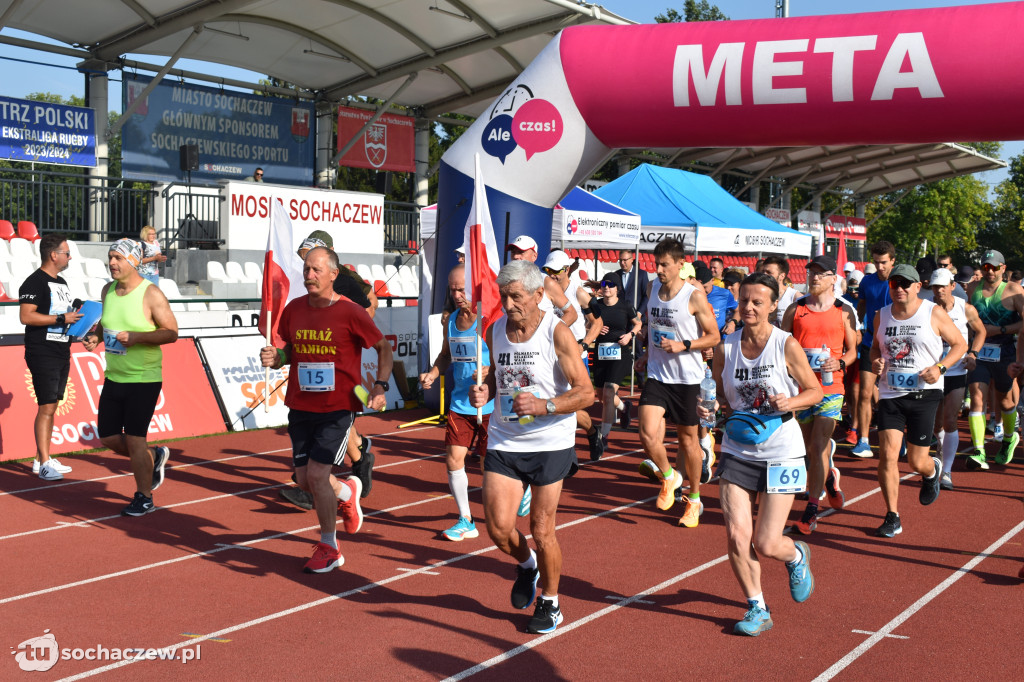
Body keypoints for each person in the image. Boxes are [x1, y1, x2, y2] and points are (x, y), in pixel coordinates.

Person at [468, 259, 594, 634]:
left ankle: (551, 602)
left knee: (541, 529)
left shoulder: (557, 333)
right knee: (499, 528)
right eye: (504, 296)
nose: (508, 305)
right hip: (506, 438)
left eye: (516, 297)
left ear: (539, 295)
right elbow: (495, 375)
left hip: (551, 442)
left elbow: (585, 393)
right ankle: (527, 566)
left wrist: (545, 405)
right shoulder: (494, 331)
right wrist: (485, 391)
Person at [699, 272, 822, 636]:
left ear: (772, 306)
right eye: (745, 300)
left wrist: (792, 400)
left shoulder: (785, 345)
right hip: (737, 449)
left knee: (766, 542)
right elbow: (719, 397)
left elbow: (815, 391)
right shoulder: (726, 347)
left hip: (781, 449)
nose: (749, 307)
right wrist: (712, 411)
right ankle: (757, 607)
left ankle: (796, 555)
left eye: (758, 302)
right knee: (738, 535)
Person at [259, 246, 393, 572]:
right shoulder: (294, 309)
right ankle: (347, 490)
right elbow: (291, 350)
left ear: (334, 274)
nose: (309, 276)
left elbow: (383, 347)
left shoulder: (350, 312)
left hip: (338, 406)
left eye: (317, 270)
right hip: (300, 404)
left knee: (318, 475)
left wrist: (380, 385)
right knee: (305, 480)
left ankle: (329, 547)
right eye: (306, 269)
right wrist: (277, 358)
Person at [279, 232, 378, 510]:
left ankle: (329, 482)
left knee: (336, 425)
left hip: (340, 374)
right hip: (312, 382)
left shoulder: (343, 279)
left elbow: (369, 301)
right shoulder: (309, 284)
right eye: (305, 264)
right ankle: (356, 463)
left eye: (314, 265)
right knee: (335, 431)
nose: (308, 272)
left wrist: (346, 333)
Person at [81, 239, 177, 516]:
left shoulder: (151, 294)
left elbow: (171, 332)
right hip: (114, 376)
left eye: (118, 258)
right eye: (110, 257)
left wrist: (137, 338)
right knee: (109, 437)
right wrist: (95, 337)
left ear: (133, 261)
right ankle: (154, 457)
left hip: (144, 378)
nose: (112, 263)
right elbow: (105, 322)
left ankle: (144, 497)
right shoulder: (107, 290)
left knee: (135, 440)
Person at [869, 264, 966, 537]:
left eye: (905, 283)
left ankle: (931, 470)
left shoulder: (932, 312)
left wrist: (941, 368)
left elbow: (959, 344)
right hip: (890, 393)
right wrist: (875, 360)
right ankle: (892, 515)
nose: (898, 288)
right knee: (887, 456)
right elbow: (875, 347)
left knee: (915, 461)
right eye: (894, 283)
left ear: (916, 287)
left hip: (925, 393)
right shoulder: (882, 315)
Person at [635, 239, 721, 528]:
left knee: (688, 441)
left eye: (664, 265)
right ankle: (670, 477)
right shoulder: (652, 289)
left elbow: (714, 336)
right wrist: (647, 354)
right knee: (647, 434)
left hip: (687, 379)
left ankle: (694, 499)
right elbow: (655, 327)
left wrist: (684, 345)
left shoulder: (693, 296)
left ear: (680, 265)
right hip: (658, 376)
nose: (658, 269)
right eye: (656, 263)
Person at [781, 255, 858, 535]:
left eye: (819, 274)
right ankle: (828, 478)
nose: (813, 278)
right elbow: (781, 344)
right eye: (810, 273)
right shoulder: (795, 309)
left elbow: (853, 351)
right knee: (811, 451)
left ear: (832, 279)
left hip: (831, 387)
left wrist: (839, 363)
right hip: (802, 389)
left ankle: (811, 510)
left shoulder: (843, 311)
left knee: (818, 445)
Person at [419, 265, 495, 541]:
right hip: (461, 403)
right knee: (453, 459)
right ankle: (466, 519)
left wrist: (489, 372)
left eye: (462, 289)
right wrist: (432, 373)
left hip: (488, 404)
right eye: (453, 290)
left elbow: (502, 358)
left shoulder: (489, 320)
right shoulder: (450, 321)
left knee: (490, 467)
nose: (457, 294)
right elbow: (445, 356)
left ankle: (520, 489)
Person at [19, 233, 84, 481]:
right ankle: (45, 462)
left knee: (53, 405)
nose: (69, 257)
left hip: (61, 349)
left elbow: (65, 315)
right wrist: (60, 319)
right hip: (42, 350)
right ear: (53, 255)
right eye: (66, 252)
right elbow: (26, 317)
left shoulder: (62, 282)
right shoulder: (34, 282)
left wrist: (78, 315)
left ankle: (40, 459)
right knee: (46, 406)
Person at [965, 249, 1024, 469]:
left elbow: (1023, 324)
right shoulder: (972, 288)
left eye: (994, 267)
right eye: (986, 267)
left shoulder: (1013, 291)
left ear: (1003, 268)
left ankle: (1009, 438)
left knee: (1005, 401)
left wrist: (1000, 328)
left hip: (1005, 352)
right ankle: (979, 451)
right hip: (980, 351)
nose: (990, 271)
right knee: (977, 396)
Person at [543, 250, 603, 461]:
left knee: (568, 405)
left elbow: (598, 323)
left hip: (574, 355)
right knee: (553, 402)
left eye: (555, 271)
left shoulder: (578, 293)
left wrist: (584, 345)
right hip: (550, 355)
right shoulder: (544, 290)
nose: (551, 275)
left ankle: (590, 434)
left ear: (567, 270)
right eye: (547, 270)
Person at [928, 267, 985, 490]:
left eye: (943, 285)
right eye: (935, 286)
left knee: (950, 420)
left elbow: (980, 332)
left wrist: (973, 354)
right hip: (932, 374)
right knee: (936, 424)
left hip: (956, 372)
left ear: (953, 286)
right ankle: (940, 453)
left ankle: (947, 472)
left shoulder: (965, 309)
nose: (939, 290)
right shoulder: (926, 309)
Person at [852, 241, 896, 457]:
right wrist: (858, 326)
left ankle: (898, 438)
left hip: (896, 348)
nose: (880, 267)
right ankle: (863, 440)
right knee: (864, 393)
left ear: (893, 261)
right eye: (876, 262)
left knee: (893, 396)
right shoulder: (867, 282)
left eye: (884, 263)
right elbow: (861, 306)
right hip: (871, 344)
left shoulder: (900, 283)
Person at [585, 271, 642, 436]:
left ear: (617, 288)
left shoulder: (625, 306)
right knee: (603, 396)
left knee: (610, 391)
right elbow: (587, 326)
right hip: (601, 355)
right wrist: (595, 328)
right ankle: (624, 408)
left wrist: (630, 335)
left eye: (610, 285)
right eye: (604, 284)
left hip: (621, 354)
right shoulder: (596, 305)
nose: (607, 288)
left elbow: (638, 324)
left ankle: (603, 436)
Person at [697, 264, 739, 335]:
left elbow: (738, 311)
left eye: (705, 287)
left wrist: (732, 323)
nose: (702, 291)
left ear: (712, 281)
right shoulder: (691, 294)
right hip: (698, 340)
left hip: (719, 339)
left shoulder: (725, 293)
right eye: (699, 287)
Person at [762, 256, 798, 326]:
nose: (764, 275)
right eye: (763, 271)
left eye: (769, 272)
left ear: (782, 276)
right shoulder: (759, 293)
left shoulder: (794, 297)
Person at [615, 249, 648, 314]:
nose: (622, 263)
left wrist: (639, 313)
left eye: (625, 260)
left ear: (631, 260)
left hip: (636, 316)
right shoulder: (616, 274)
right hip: (620, 316)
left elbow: (646, 296)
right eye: (620, 260)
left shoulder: (641, 274)